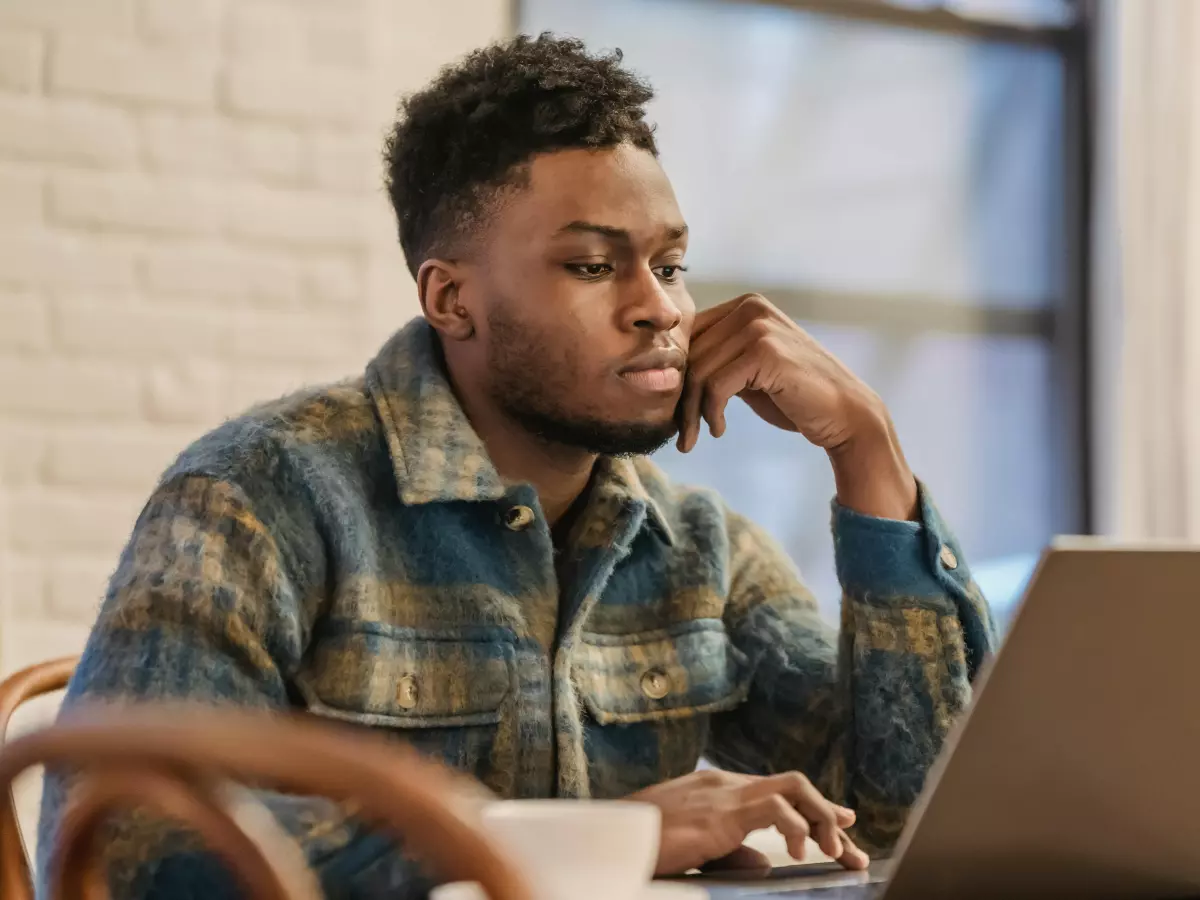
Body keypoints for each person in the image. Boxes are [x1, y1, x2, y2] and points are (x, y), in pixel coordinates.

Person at [39, 33, 995, 900]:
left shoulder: (698, 546)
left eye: (669, 265)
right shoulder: (258, 494)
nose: (661, 309)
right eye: (592, 266)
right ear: (451, 299)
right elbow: (124, 849)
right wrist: (598, 841)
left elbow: (914, 817)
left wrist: (867, 451)